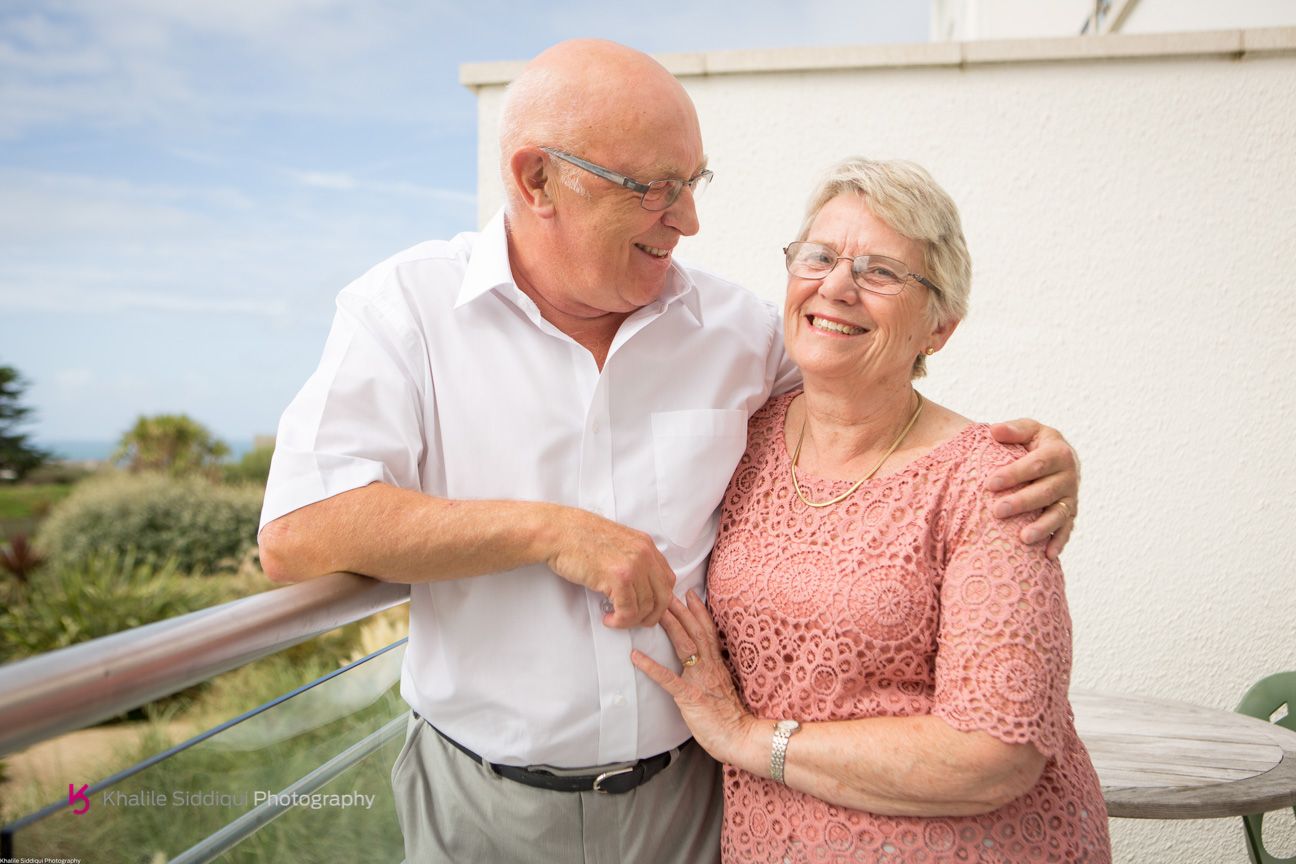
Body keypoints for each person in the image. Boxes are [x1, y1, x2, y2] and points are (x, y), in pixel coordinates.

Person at [258, 40, 1081, 864]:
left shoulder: (740, 332)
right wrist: (551, 532)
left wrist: (1033, 452)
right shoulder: (406, 310)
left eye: (694, 184)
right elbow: (299, 530)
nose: (688, 219)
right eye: (654, 188)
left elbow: (876, 393)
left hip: (694, 804)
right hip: (479, 804)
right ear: (536, 179)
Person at [632, 157, 1110, 863]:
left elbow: (994, 753)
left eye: (881, 272)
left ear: (939, 326)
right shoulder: (745, 432)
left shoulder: (991, 481)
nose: (836, 287)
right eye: (818, 257)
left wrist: (746, 739)